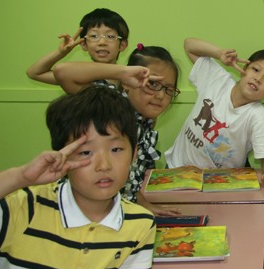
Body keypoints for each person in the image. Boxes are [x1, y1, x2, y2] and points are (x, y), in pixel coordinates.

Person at [0, 85, 156, 269]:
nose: (104, 165)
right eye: (85, 152)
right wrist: (21, 177)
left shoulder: (139, 224)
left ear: (134, 154)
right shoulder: (25, 205)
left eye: (116, 149)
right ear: (62, 157)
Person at [53, 45, 181, 216]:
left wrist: (144, 204)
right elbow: (62, 72)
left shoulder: (148, 120)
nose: (160, 96)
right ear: (128, 82)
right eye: (152, 84)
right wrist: (121, 72)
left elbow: (131, 177)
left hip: (118, 209)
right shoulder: (109, 105)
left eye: (168, 89)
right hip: (81, 210)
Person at [164, 38, 264, 185]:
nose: (258, 78)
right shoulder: (217, 79)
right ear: (244, 68)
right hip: (176, 169)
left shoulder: (259, 117)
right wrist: (219, 53)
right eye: (255, 70)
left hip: (218, 183)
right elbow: (189, 45)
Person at [26, 8, 130, 85]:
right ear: (83, 44)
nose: (102, 42)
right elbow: (34, 73)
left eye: (110, 36)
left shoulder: (130, 79)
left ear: (122, 45)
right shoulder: (80, 78)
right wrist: (61, 53)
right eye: (94, 36)